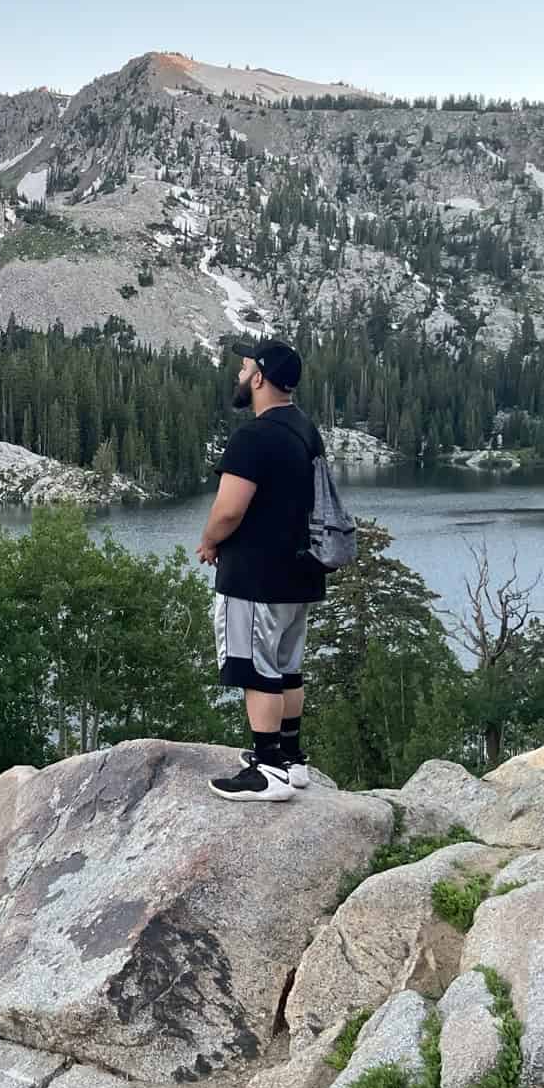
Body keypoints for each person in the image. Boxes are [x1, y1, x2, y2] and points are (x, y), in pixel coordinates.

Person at [198, 340, 326, 803]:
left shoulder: (253, 436)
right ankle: (291, 760)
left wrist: (210, 541)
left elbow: (229, 510)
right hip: (300, 574)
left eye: (245, 366)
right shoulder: (306, 430)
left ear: (258, 378)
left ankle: (267, 770)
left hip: (255, 576)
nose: (239, 373)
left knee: (256, 670)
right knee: (288, 667)